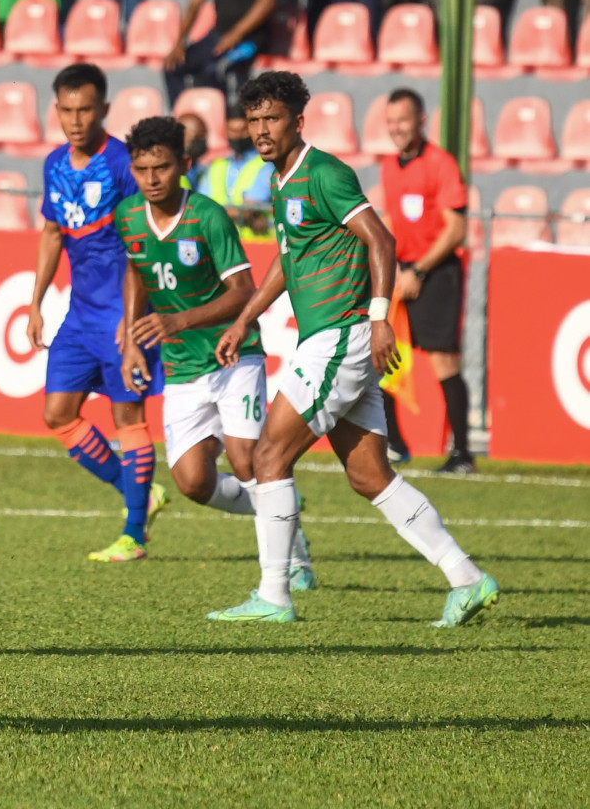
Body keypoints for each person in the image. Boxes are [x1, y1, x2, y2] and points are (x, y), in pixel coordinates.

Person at [212, 71, 498, 626]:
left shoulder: (323, 172)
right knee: (369, 475)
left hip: (339, 338)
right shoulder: (280, 179)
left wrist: (379, 316)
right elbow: (287, 258)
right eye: (253, 120)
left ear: (297, 121)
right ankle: (467, 577)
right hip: (331, 339)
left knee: (268, 456)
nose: (261, 130)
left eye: (271, 118)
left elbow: (381, 240)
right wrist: (246, 315)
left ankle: (274, 595)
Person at [115, 117, 316, 597]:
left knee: (249, 462)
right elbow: (137, 270)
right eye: (142, 169)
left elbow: (242, 292)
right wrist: (129, 341)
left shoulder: (207, 216)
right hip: (182, 366)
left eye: (161, 167)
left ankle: (291, 560)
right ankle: (284, 511)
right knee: (191, 482)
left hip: (233, 357)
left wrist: (177, 321)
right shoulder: (128, 217)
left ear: (183, 165)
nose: (152, 178)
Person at [26, 63, 168, 563]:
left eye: (86, 109)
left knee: (126, 413)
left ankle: (135, 533)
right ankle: (141, 494)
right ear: (57, 110)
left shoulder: (125, 164)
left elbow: (142, 242)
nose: (75, 119)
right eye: (67, 110)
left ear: (104, 109)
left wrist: (132, 325)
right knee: (58, 414)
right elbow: (51, 234)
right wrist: (36, 301)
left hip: (123, 314)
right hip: (80, 313)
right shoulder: (53, 164)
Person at [377, 89, 475, 475]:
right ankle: (395, 445)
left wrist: (418, 270)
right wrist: (394, 269)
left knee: (443, 360)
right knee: (386, 357)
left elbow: (456, 229)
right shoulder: (388, 166)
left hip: (437, 272)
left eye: (403, 120)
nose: (396, 128)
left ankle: (462, 453)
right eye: (391, 122)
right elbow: (391, 221)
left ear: (421, 120)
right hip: (402, 271)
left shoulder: (441, 163)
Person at [203, 106, 274, 241]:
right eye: (232, 131)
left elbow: (248, 211)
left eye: (242, 131)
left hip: (255, 246)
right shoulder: (217, 166)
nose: (237, 136)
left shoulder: (266, 165)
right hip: (219, 244)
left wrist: (212, 213)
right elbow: (200, 206)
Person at [179, 112, 209, 190]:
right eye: (197, 137)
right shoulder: (174, 171)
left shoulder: (200, 169)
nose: (202, 141)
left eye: (204, 136)